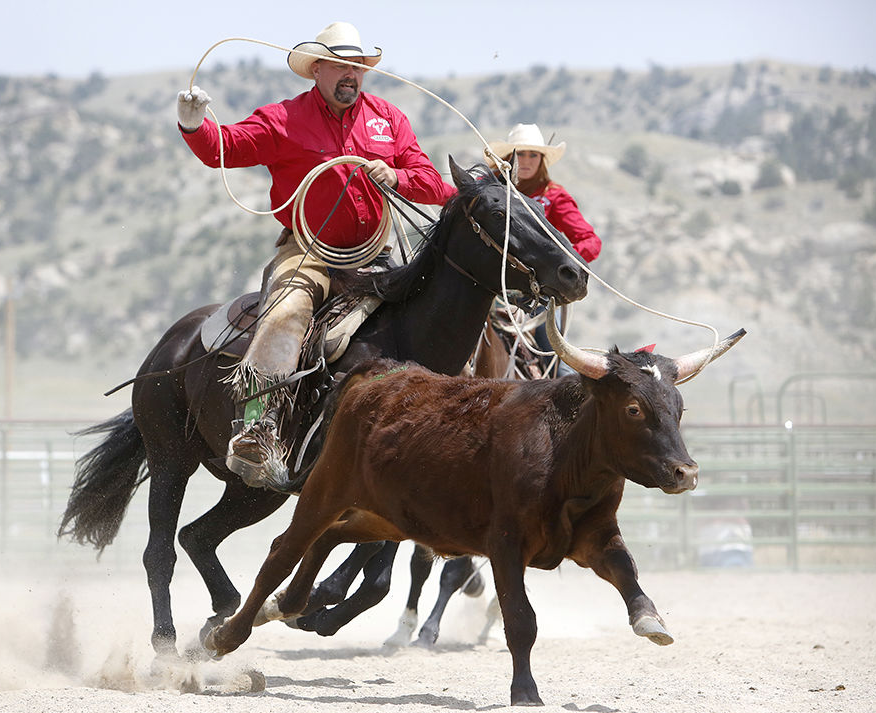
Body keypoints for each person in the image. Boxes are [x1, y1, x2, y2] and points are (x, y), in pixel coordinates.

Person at [177, 21, 455, 487]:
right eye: (342, 66)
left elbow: (433, 185)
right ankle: (257, 425)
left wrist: (396, 176)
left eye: (358, 67)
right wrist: (194, 124)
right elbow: (224, 148)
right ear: (317, 69)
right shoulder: (282, 120)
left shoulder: (389, 119)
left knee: (439, 311)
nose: (352, 74)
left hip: (376, 256)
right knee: (285, 312)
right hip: (308, 252)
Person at [487, 123, 601, 370]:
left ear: (541, 159)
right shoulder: (490, 190)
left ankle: (568, 396)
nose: (526, 161)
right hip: (487, 283)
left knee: (556, 359)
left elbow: (590, 241)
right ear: (509, 157)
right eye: (521, 154)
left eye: (533, 155)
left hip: (533, 293)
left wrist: (559, 264)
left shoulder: (554, 197)